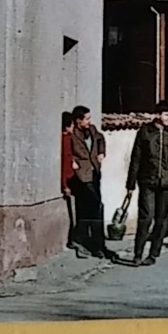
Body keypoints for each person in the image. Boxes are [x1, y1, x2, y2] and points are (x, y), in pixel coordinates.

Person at [126, 100, 168, 267]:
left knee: (161, 219)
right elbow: (135, 158)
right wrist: (130, 184)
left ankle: (153, 254)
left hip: (166, 181)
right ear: (157, 115)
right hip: (147, 180)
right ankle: (138, 254)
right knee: (146, 217)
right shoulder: (145, 132)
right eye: (166, 115)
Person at [68, 104, 109, 259]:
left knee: (93, 208)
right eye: (86, 119)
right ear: (78, 121)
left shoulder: (92, 130)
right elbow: (67, 150)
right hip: (82, 175)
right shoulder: (74, 134)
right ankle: (84, 239)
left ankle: (95, 243)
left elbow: (100, 138)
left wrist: (101, 152)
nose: (89, 121)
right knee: (94, 206)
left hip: (94, 173)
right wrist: (72, 161)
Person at [61, 111, 79, 249]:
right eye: (72, 125)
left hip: (73, 180)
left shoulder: (69, 138)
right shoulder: (65, 140)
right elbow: (64, 163)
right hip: (70, 181)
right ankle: (72, 239)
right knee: (72, 213)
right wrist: (65, 185)